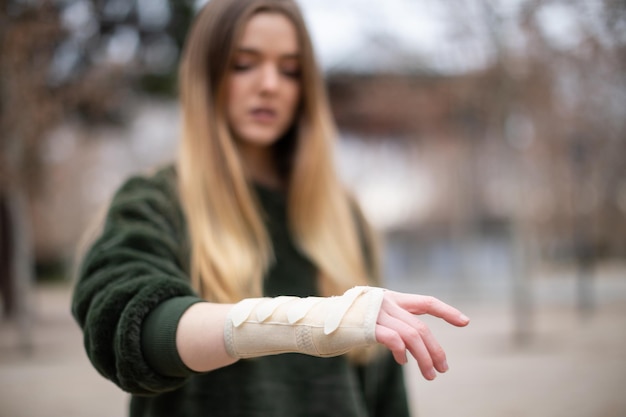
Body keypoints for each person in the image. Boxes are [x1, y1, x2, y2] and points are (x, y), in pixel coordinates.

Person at [71, 1, 470, 416]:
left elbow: (384, 392)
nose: (269, 85)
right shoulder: (154, 204)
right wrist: (307, 321)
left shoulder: (344, 215)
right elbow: (125, 329)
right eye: (244, 64)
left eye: (290, 70)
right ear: (206, 76)